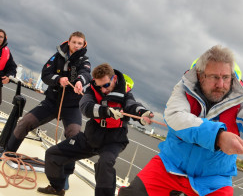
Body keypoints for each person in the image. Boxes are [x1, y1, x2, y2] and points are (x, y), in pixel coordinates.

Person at [118, 45, 243, 196]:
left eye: (226, 78)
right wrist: (219, 137)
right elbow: (176, 116)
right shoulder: (183, 89)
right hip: (170, 164)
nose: (221, 84)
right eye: (214, 77)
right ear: (200, 76)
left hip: (215, 178)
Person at [37, 63, 154, 196]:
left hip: (113, 140)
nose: (103, 90)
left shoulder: (125, 93)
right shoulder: (92, 90)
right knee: (53, 154)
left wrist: (142, 114)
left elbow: (133, 105)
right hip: (90, 137)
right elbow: (85, 106)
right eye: (99, 86)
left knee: (105, 164)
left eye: (105, 85)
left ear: (114, 79)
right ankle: (57, 188)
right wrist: (107, 111)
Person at [4, 31, 92, 188]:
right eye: (74, 42)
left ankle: (65, 175)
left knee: (74, 136)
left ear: (83, 45)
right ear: (69, 42)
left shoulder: (84, 60)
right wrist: (58, 79)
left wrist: (79, 81)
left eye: (80, 43)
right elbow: (45, 74)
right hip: (51, 102)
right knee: (25, 122)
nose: (77, 46)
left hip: (71, 107)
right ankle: (8, 154)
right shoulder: (57, 56)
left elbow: (86, 73)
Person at [0, 29, 17, 105]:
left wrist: (8, 77)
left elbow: (12, 69)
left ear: (4, 39)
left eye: (1, 37)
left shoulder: (7, 53)